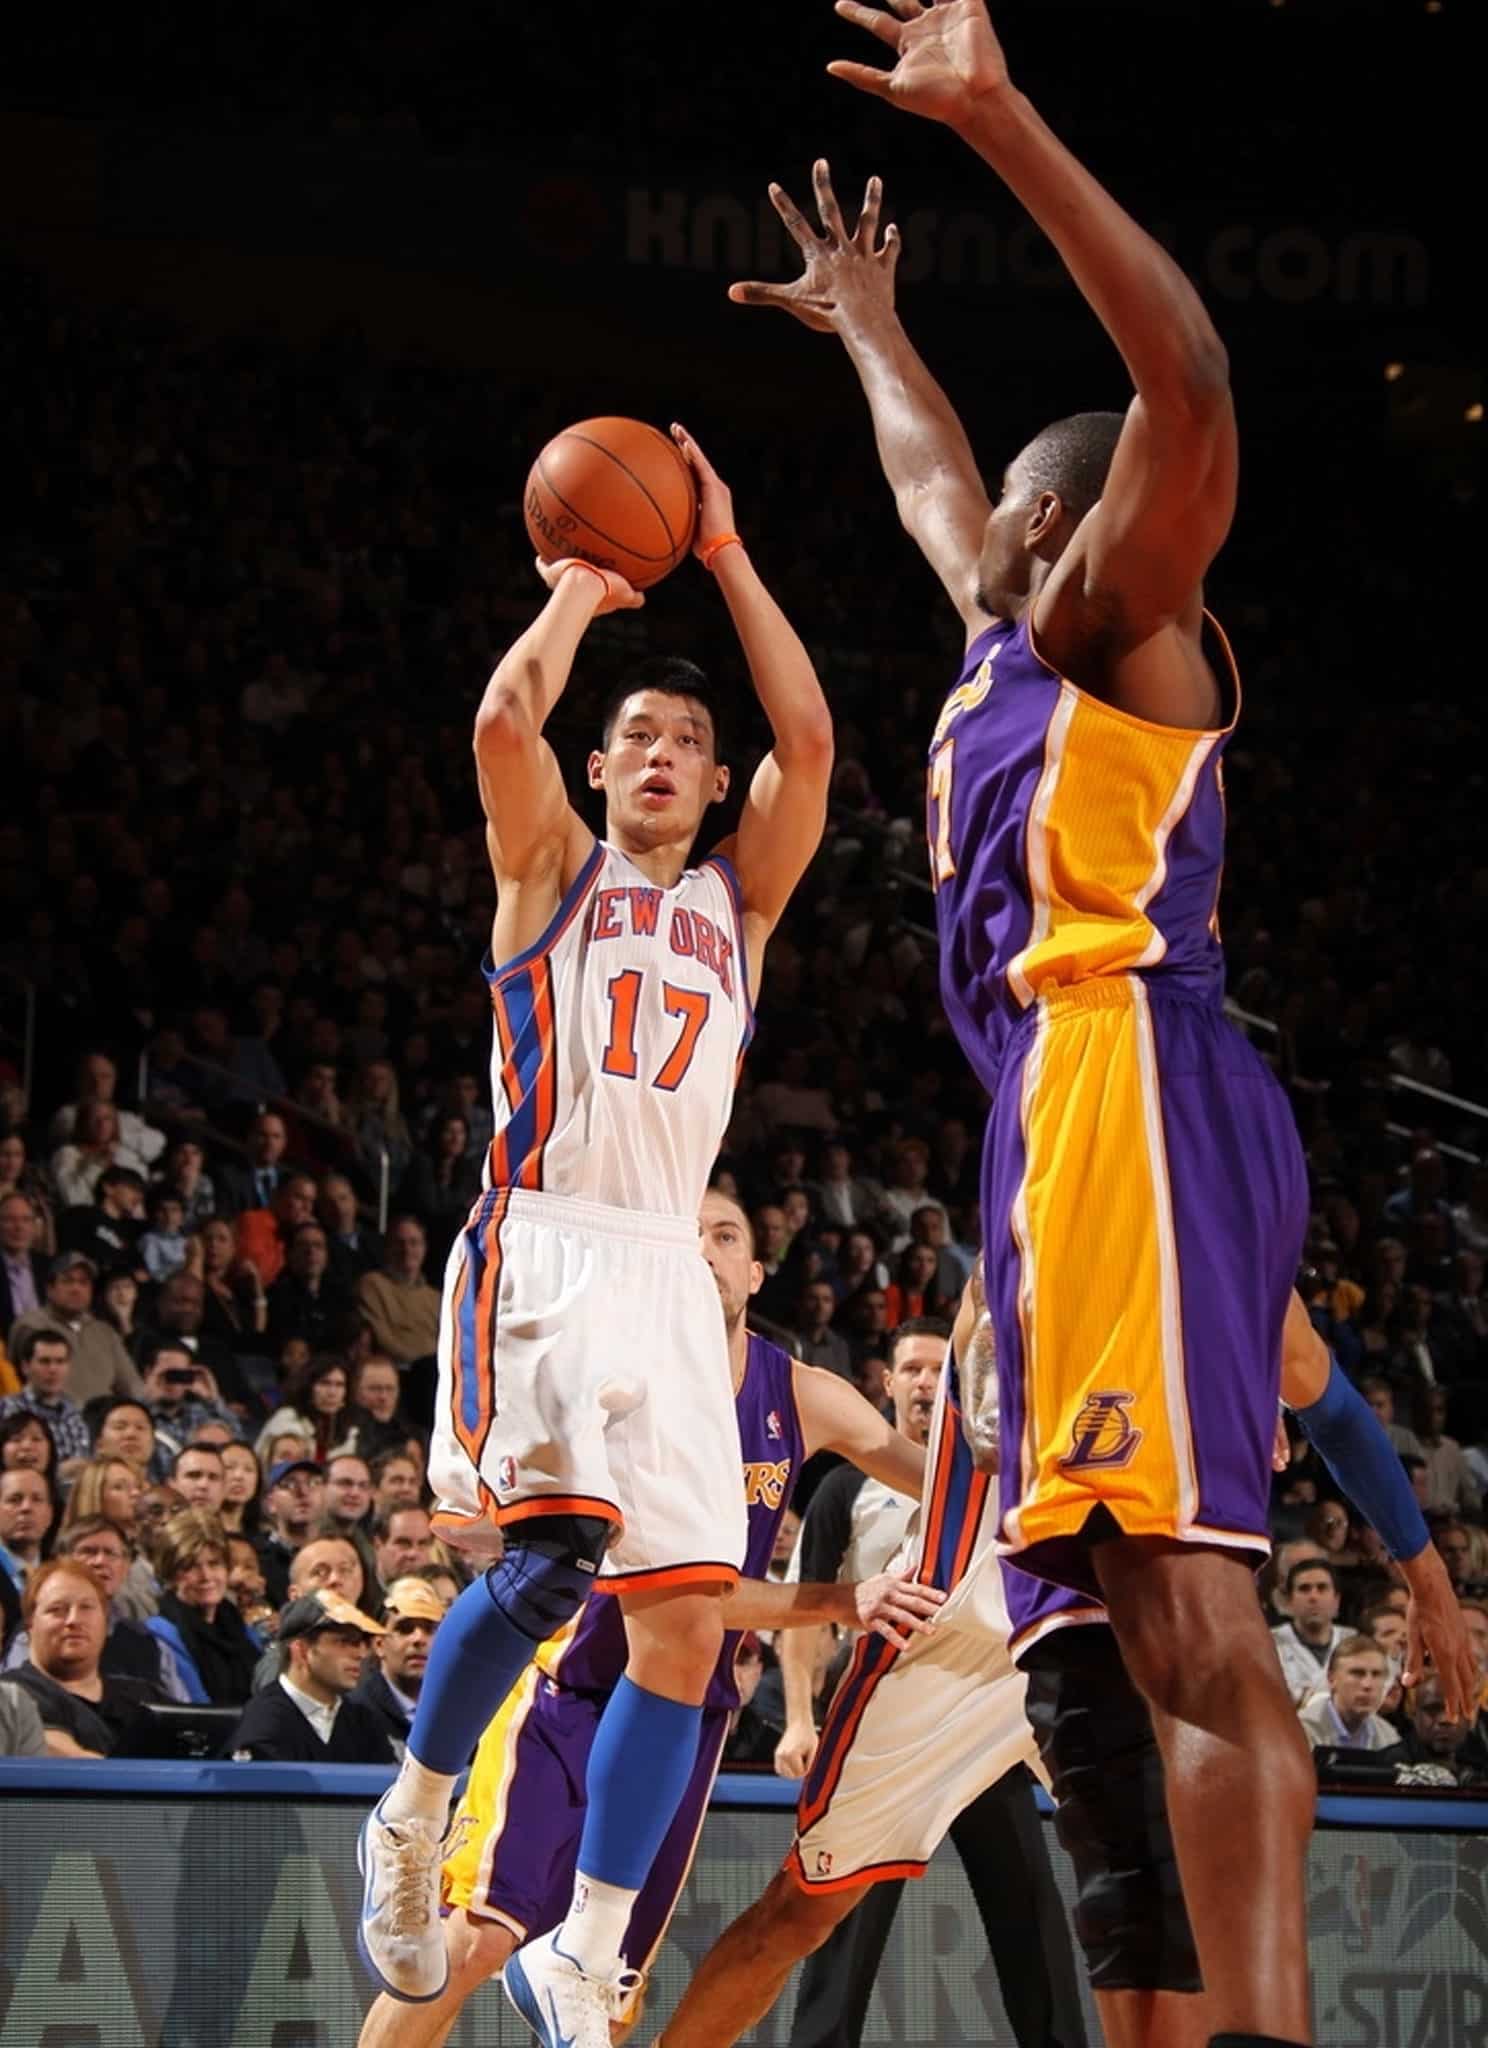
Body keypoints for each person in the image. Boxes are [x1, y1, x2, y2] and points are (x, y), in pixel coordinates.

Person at [734, 9, 1314, 2033]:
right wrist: (871, 328)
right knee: (1104, 1649)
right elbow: (927, 477)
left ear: (1062, 524)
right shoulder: (1002, 640)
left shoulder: (1112, 621)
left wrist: (997, 119)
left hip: (1128, 1074)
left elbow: (1191, 380)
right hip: (1056, 1118)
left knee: (1193, 1622)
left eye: (1007, 500)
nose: (963, 508)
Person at [358, 422, 834, 2037]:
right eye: (634, 734)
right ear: (599, 768)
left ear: (715, 779)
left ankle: (592, 1944)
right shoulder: (550, 866)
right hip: (547, 1240)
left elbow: (812, 736)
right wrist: (579, 585)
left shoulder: (738, 908)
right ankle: (413, 1811)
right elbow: (504, 716)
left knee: (683, 1627)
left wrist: (726, 551)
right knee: (554, 1559)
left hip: (667, 1275)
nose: (660, 753)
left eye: (687, 740)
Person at [357, 1187, 937, 2048]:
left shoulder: (799, 1392)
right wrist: (840, 1598)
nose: (704, 1250)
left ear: (756, 1271)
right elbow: (685, 1598)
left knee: (599, 1988)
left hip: (685, 1719)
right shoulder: (620, 1381)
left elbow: (940, 1481)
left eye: (726, 1235)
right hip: (568, 1696)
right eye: (687, 1234)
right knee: (477, 1937)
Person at [0, 1559, 164, 1757]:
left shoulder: (147, 1696)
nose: (74, 1620)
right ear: (29, 1625)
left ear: (105, 1621)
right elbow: (59, 1754)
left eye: (86, 1607)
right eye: (56, 1609)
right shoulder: (13, 1697)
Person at [228, 1588, 396, 1762]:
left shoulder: (363, 1721)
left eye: (361, 1643)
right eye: (344, 1642)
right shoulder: (263, 1722)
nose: (360, 1654)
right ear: (301, 1650)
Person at [146, 1509, 263, 1706]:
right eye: (190, 1566)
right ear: (170, 1574)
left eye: (214, 1564)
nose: (206, 1576)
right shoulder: (160, 1633)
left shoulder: (241, 1628)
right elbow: (197, 1709)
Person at [9, 1251, 145, 1406]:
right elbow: (18, 1385)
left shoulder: (104, 1331)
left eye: (83, 1282)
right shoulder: (31, 1326)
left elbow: (132, 1385)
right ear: (50, 1289)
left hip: (104, 1417)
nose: (76, 1288)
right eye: (67, 1281)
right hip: (51, 1416)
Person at [350, 1576, 448, 1752]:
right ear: (379, 1644)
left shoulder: (461, 1711)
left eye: (430, 1629)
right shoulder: (353, 1712)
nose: (418, 1639)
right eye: (405, 1629)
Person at [354, 1215, 440, 1369]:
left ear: (424, 1248)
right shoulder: (372, 1285)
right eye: (399, 1243)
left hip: (434, 1371)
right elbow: (382, 1338)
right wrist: (422, 1363)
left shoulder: (436, 1298)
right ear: (387, 1248)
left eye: (414, 1243)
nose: (407, 1250)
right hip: (393, 1370)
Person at [0, 1327, 91, 1471]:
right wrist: (59, 1472)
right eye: (44, 1361)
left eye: (60, 1361)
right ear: (25, 1367)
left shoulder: (78, 1414)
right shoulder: (7, 1408)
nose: (53, 1369)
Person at [1297, 1636, 1399, 1755]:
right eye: (1357, 1673)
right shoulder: (1301, 1730)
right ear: (1331, 1679)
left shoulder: (1389, 1736)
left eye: (1376, 1674)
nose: (1367, 1685)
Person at [1270, 1560, 1349, 1707]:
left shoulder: (1354, 1642)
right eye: (1304, 1589)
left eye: (1322, 1588)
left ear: (1336, 1600)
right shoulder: (1269, 1644)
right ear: (1289, 1601)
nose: (1313, 1597)